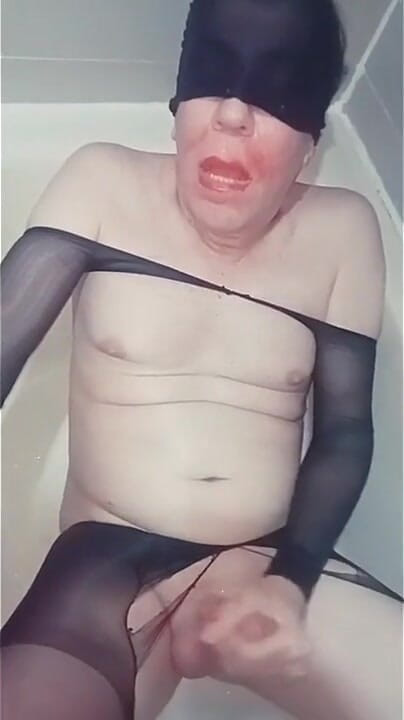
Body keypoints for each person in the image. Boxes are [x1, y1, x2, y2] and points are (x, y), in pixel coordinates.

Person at [1, 0, 402, 718]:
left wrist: (290, 582)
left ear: (312, 139)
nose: (233, 114)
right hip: (106, 561)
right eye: (211, 79)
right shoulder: (103, 184)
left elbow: (344, 433)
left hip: (264, 563)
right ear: (177, 105)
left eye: (277, 93)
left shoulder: (343, 230)